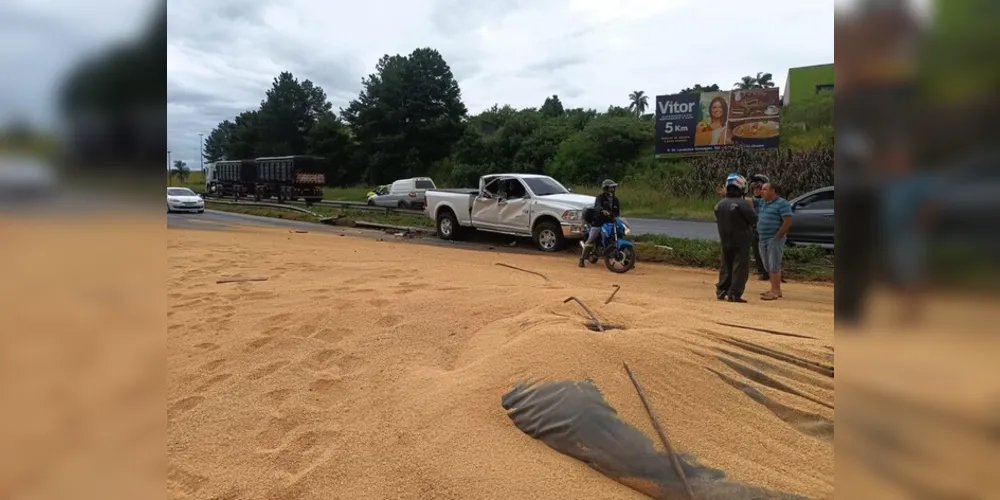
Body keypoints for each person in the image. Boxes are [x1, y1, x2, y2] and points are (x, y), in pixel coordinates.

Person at [714, 174, 757, 302]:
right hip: (741, 240)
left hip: (725, 240)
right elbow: (754, 219)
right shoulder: (742, 204)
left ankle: (721, 289)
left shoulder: (719, 204)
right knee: (740, 267)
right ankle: (734, 293)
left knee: (726, 265)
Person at [756, 182, 793, 300]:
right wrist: (729, 194)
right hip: (763, 239)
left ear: (773, 191)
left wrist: (778, 236)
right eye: (762, 189)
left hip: (774, 239)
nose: (762, 191)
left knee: (774, 265)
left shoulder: (782, 204)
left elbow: (787, 221)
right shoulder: (762, 202)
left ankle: (776, 291)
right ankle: (774, 288)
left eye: (765, 189)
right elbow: (748, 201)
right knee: (767, 265)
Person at [580, 179, 621, 267]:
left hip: (610, 222)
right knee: (591, 239)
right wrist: (602, 211)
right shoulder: (600, 198)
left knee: (619, 233)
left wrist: (617, 218)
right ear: (606, 188)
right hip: (599, 222)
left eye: (614, 187)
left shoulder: (616, 200)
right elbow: (597, 207)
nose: (613, 189)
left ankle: (627, 259)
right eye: (611, 187)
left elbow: (617, 213)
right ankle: (582, 259)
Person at [748, 174, 770, 280]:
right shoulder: (751, 200)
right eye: (754, 189)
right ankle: (762, 272)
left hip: (766, 230)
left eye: (759, 189)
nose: (756, 191)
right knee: (757, 252)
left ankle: (772, 272)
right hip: (755, 229)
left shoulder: (768, 200)